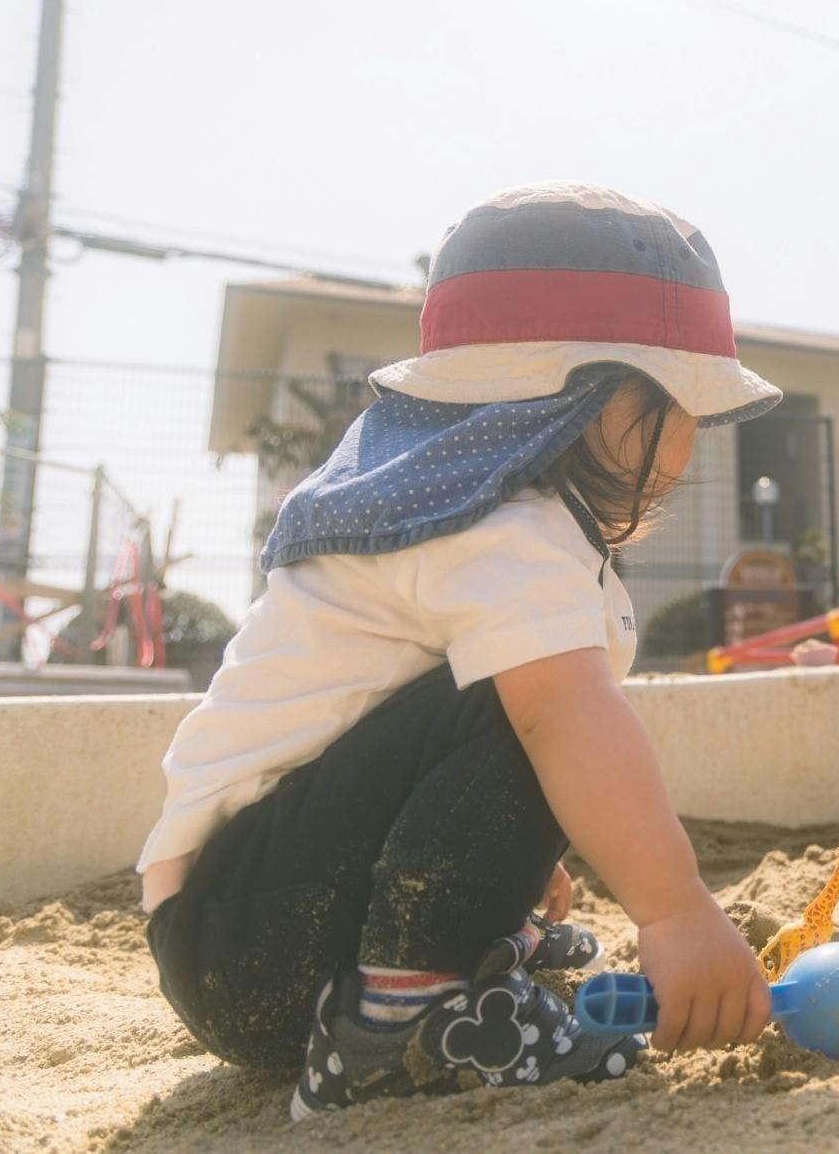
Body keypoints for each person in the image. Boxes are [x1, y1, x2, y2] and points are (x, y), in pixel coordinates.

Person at [136, 182, 785, 1118]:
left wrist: (493, 854)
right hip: (252, 933)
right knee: (548, 700)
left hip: (239, 933)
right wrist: (676, 910)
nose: (690, 438)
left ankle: (443, 965)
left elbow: (394, 742)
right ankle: (404, 1021)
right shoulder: (503, 528)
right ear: (597, 400)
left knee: (542, 696)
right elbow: (557, 718)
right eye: (679, 402)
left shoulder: (443, 505)